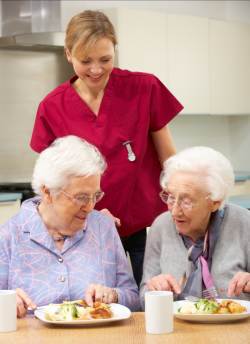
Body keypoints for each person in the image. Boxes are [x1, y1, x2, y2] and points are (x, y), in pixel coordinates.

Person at [30, 10, 183, 287]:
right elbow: (49, 182)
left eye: (105, 59)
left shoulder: (144, 87)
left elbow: (168, 160)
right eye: (85, 60)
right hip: (82, 231)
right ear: (68, 54)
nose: (96, 69)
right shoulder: (51, 107)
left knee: (155, 303)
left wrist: (182, 206)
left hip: (145, 227)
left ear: (115, 50)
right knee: (98, 307)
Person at [0, 136, 139, 316]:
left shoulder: (103, 227)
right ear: (48, 192)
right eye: (80, 197)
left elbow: (134, 300)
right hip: (33, 342)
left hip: (98, 341)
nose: (90, 207)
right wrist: (6, 302)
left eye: (95, 196)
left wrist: (112, 295)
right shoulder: (9, 235)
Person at [139, 146, 250, 311]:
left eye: (186, 201)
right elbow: (143, 300)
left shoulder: (244, 223)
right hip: (177, 331)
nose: (175, 211)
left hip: (234, 332)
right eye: (170, 196)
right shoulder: (161, 226)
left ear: (215, 202)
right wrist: (153, 290)